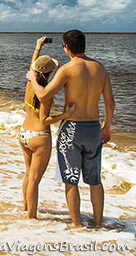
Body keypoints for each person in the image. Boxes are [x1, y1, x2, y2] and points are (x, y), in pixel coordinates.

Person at [27, 29, 115, 228]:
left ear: (66, 48)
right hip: (93, 128)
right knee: (95, 180)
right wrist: (107, 127)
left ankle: (77, 226)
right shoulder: (100, 68)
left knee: (71, 179)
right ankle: (99, 224)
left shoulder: (67, 69)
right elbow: (110, 102)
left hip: (72, 130)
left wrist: (32, 78)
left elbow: (43, 96)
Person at [20, 36, 75, 219]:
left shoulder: (30, 82)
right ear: (50, 73)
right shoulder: (46, 92)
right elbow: (45, 119)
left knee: (28, 175)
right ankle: (32, 218)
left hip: (24, 133)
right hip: (39, 136)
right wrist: (64, 116)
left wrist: (37, 47)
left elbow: (32, 66)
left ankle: (26, 209)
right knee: (35, 180)